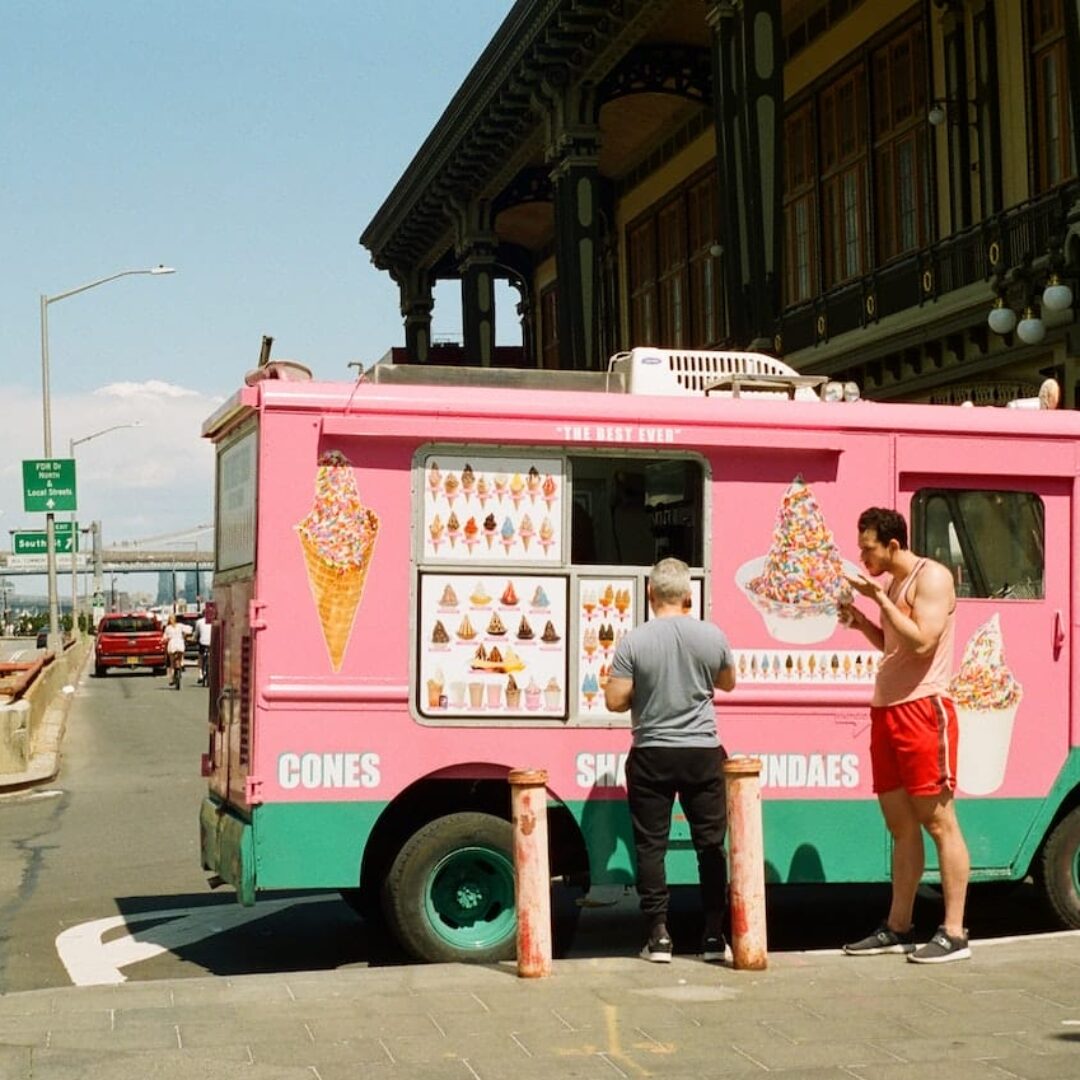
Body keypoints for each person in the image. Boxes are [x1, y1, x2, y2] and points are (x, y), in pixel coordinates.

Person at [839, 507, 971, 964]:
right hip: (887, 712)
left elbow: (922, 642)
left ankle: (954, 933)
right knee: (901, 827)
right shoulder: (893, 585)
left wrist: (878, 597)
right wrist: (862, 623)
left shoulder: (930, 578)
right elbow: (896, 644)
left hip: (924, 711)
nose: (863, 556)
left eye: (868, 548)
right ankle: (899, 926)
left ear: (893, 545)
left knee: (940, 822)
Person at [603, 557, 736, 963]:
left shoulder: (633, 641)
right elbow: (727, 683)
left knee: (651, 846)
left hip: (651, 754)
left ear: (650, 594)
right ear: (688, 597)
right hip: (702, 752)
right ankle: (713, 935)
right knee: (710, 845)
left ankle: (659, 935)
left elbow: (614, 701)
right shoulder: (711, 636)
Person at [161, 614, 190, 687]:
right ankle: (181, 666)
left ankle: (171, 678)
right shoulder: (180, 626)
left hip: (173, 644)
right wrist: (185, 635)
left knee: (172, 663)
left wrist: (164, 640)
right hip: (179, 643)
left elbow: (164, 637)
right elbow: (189, 629)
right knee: (178, 659)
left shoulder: (168, 628)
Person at [194, 611, 212, 685]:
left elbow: (196, 633)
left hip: (203, 643)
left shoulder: (199, 622)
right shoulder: (212, 622)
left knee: (200, 657)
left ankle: (200, 674)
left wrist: (194, 639)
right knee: (211, 657)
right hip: (211, 643)